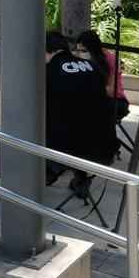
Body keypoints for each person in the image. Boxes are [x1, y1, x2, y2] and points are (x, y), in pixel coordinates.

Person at [44, 31, 117, 197]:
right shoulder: (92, 67)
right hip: (104, 148)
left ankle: (41, 175)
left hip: (69, 149)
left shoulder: (48, 71)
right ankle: (79, 179)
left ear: (48, 51)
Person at [75, 29, 129, 121]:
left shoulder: (110, 59)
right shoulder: (80, 60)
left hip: (115, 101)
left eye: (83, 50)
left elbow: (110, 90)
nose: (80, 54)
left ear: (93, 49)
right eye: (78, 50)